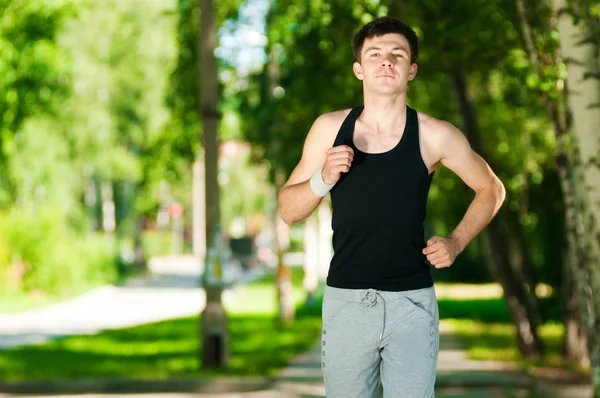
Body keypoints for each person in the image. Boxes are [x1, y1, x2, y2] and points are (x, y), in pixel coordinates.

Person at [278, 16, 506, 398]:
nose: (386, 61)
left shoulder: (435, 134)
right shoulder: (328, 130)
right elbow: (287, 209)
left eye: (397, 54)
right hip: (346, 302)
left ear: (411, 70)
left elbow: (491, 189)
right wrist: (323, 178)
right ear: (358, 68)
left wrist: (456, 241)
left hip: (411, 302)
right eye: (375, 54)